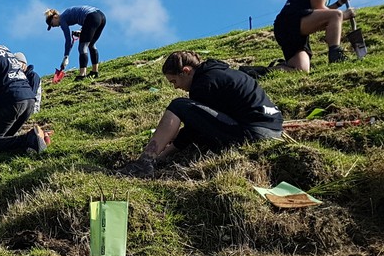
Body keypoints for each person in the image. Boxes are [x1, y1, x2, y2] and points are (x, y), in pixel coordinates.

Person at [122, 51, 284, 177]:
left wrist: (164, 155)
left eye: (174, 81)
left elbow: (194, 130)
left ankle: (145, 161)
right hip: (273, 130)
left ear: (185, 71)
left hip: (253, 134)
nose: (175, 87)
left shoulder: (203, 84)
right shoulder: (221, 73)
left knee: (178, 105)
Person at [271, 0, 357, 72]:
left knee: (301, 70)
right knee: (336, 15)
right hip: (291, 23)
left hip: (288, 29)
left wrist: (339, 3)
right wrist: (344, 15)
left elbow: (319, 12)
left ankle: (254, 72)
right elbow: (320, 10)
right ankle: (335, 54)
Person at [45, 5, 106, 79]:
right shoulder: (67, 13)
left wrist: (66, 56)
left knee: (82, 47)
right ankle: (94, 72)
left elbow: (68, 39)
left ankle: (82, 75)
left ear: (55, 17)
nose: (54, 26)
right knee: (91, 45)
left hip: (91, 17)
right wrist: (81, 30)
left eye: (52, 24)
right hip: (101, 16)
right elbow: (84, 17)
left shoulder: (62, 19)